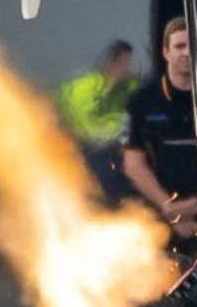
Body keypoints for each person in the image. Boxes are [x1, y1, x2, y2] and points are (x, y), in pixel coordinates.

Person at [121, 18, 197, 256]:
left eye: (193, 46)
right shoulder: (142, 100)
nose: (187, 53)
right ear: (165, 51)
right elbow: (132, 163)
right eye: (179, 46)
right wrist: (169, 208)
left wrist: (196, 205)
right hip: (156, 213)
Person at [56, 39, 138, 201]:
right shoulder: (82, 88)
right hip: (89, 161)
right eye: (124, 62)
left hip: (123, 163)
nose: (129, 69)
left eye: (129, 63)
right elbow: (88, 130)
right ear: (109, 62)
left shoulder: (130, 86)